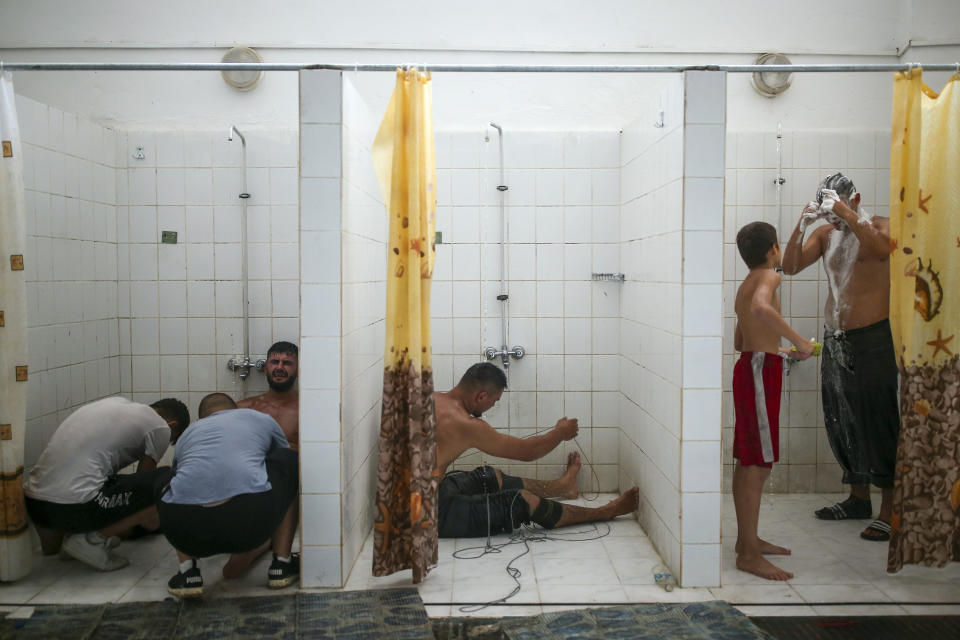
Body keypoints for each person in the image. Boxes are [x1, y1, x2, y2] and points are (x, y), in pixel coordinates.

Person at [781, 173, 898, 542]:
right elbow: (791, 265)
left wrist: (847, 214)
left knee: (878, 420)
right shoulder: (826, 234)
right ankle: (858, 498)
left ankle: (890, 509)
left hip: (873, 338)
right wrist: (803, 224)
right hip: (837, 338)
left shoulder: (879, 226)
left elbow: (883, 250)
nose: (832, 220)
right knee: (842, 420)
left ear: (855, 199)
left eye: (836, 210)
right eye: (828, 212)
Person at [434, 363, 639, 539]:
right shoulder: (467, 424)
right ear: (481, 396)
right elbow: (528, 452)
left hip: (424, 496)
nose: (493, 406)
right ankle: (606, 511)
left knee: (489, 477)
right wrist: (560, 433)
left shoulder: (430, 399)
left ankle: (562, 487)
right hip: (431, 514)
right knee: (523, 501)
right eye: (494, 401)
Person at [732, 221, 815, 581]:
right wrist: (800, 342)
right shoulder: (769, 277)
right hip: (759, 372)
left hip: (750, 364)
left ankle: (745, 542)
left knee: (748, 461)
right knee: (759, 465)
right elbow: (764, 310)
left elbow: (741, 339)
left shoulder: (744, 284)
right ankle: (749, 554)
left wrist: (772, 347)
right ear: (773, 250)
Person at [22, 396, 190, 571]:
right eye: (172, 440)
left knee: (55, 551)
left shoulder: (114, 404)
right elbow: (146, 485)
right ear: (172, 425)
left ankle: (71, 542)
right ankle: (91, 540)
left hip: (36, 504)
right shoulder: (161, 427)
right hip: (75, 506)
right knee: (164, 478)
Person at [159, 393, 299, 597]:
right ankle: (281, 565)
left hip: (185, 533)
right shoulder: (259, 419)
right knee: (290, 461)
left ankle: (188, 572)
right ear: (237, 410)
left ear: (202, 419)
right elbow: (279, 456)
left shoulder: (189, 433)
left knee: (171, 479)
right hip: (250, 523)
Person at [238, 341, 299, 450]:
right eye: (275, 362)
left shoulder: (307, 412)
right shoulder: (244, 408)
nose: (279, 367)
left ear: (298, 370)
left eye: (287, 363)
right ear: (265, 369)